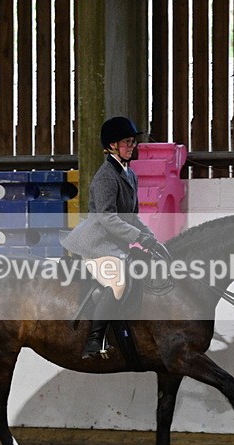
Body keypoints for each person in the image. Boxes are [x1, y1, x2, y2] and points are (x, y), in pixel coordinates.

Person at [60, 116, 165, 359]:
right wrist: (138, 237)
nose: (132, 146)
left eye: (133, 142)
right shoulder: (106, 176)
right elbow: (107, 218)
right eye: (127, 142)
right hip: (96, 244)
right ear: (111, 146)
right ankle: (94, 341)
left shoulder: (130, 175)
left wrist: (150, 236)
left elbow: (131, 217)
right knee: (118, 282)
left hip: (114, 243)